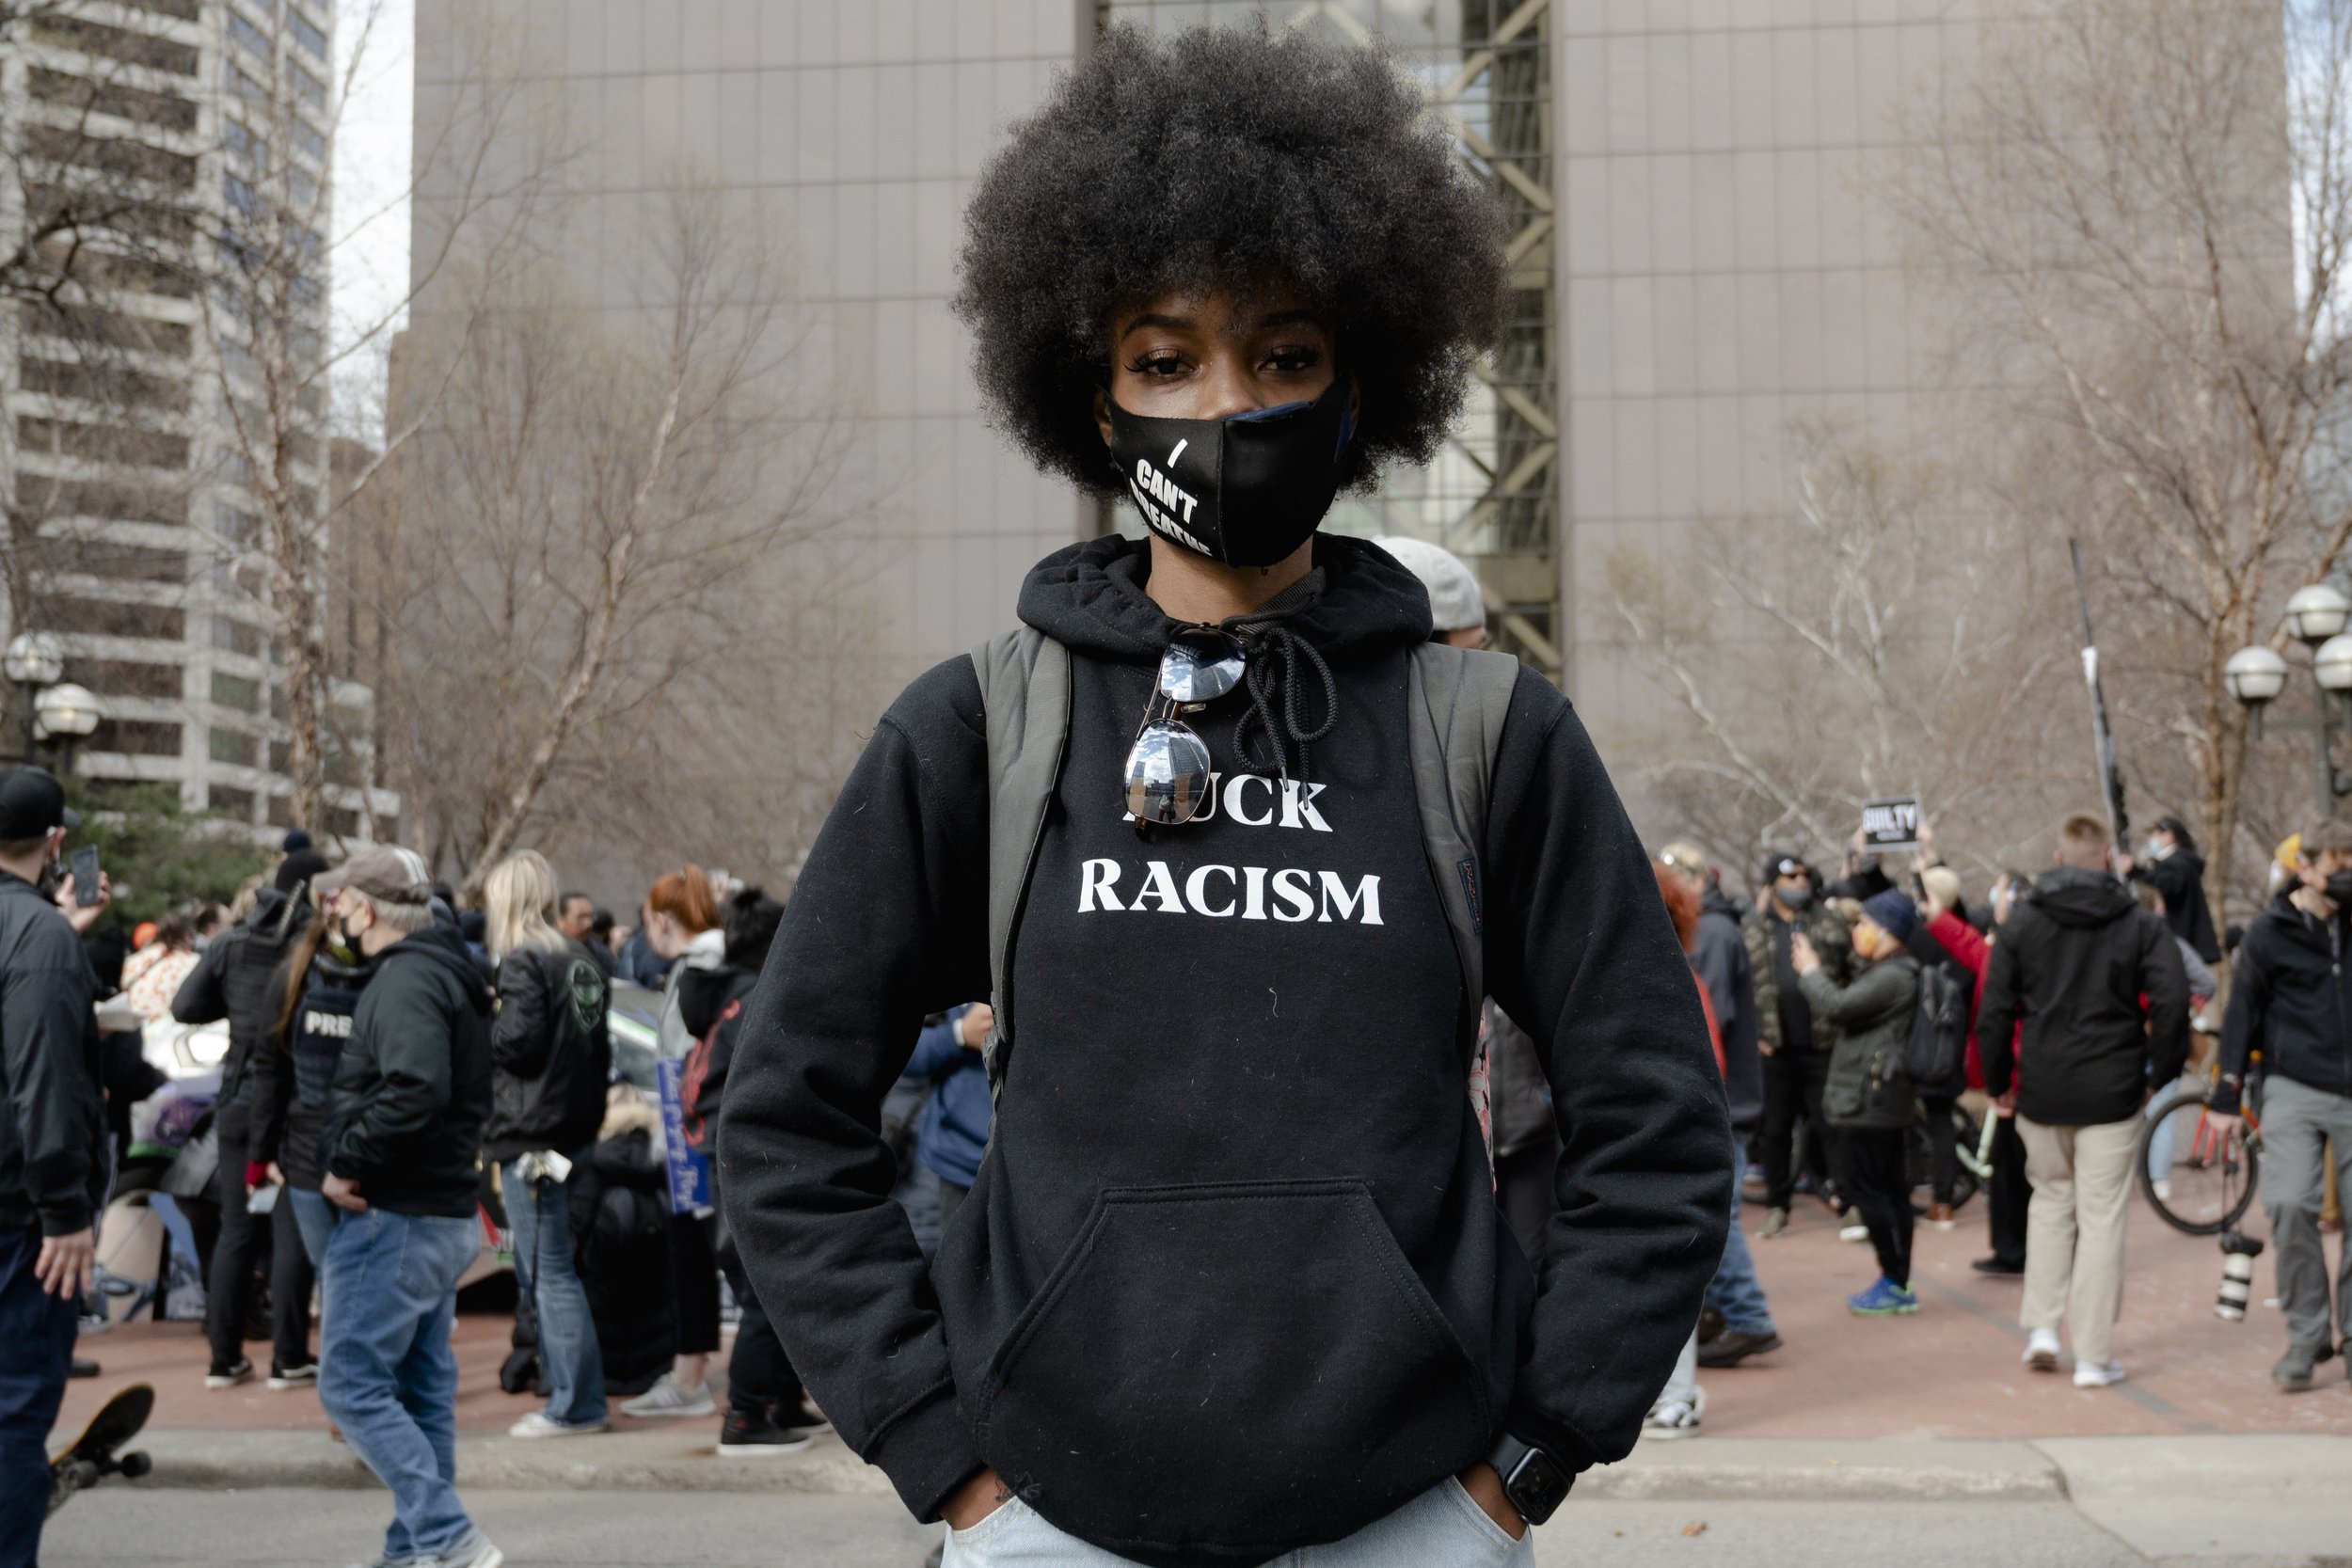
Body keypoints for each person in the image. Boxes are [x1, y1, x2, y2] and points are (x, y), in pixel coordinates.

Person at [718, 25, 1728, 1564]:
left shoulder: (1490, 732)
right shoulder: (979, 724)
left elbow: (1655, 1116)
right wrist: (948, 1463)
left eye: (1286, 355)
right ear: (1097, 397)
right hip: (1048, 1516)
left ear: (1358, 383)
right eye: (1168, 356)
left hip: (1417, 1512)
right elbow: (783, 1113)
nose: (1230, 403)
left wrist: (1527, 1459)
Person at [313, 846, 501, 1568]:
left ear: (366, 907)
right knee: (422, 1388)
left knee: (351, 1386)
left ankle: (446, 1536)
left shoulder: (409, 977)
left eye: (341, 901)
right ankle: (415, 1550)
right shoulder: (440, 969)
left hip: (399, 1212)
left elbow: (415, 1086)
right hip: (434, 1209)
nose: (333, 912)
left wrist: (345, 1162)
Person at [1978, 814, 2188, 1389]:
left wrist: (1998, 1081)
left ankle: (2043, 1327)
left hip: (2042, 1085)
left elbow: (1994, 1010)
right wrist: (2160, 1073)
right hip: (2114, 1087)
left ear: (2057, 855)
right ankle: (2094, 1355)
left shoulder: (2023, 922)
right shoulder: (2139, 924)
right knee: (2100, 1219)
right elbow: (2172, 1000)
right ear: (2107, 858)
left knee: (2049, 1204)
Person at [676, 886, 828, 1452]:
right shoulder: (760, 998)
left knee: (777, 1289)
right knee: (767, 1292)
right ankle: (743, 1417)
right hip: (745, 1161)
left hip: (724, 1159)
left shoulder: (727, 997)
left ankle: (781, 1400)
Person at [0, 768, 107, 1568]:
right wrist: (65, 1210)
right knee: (12, 1411)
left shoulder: (43, 934)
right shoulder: (41, 941)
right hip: (20, 1215)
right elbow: (46, 1082)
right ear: (56, 841)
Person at [173, 847, 329, 1390]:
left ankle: (223, 1358)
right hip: (297, 1104)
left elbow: (184, 1007)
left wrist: (237, 1008)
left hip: (238, 1099)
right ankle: (288, 1358)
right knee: (291, 1232)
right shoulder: (315, 945)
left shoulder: (234, 941)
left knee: (236, 1230)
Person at [2208, 818, 2352, 1392]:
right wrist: (2225, 1094)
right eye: (2335, 866)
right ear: (2305, 869)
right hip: (2293, 1083)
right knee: (2292, 1203)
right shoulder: (2270, 932)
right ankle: (2306, 1333)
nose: (2345, 876)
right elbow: (2241, 1013)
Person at [482, 850, 612, 1438]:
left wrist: (483, 1021)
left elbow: (519, 1044)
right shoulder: (580, 956)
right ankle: (577, 1399)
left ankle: (576, 1404)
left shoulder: (524, 959)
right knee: (556, 1270)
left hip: (533, 1136)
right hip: (573, 1132)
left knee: (548, 1273)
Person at [1658, 843, 1777, 1368]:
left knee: (1718, 1217)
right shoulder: (1713, 932)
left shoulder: (1714, 935)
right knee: (1715, 1214)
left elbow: (1710, 1029)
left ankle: (1749, 1316)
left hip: (1724, 1105)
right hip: (1723, 1102)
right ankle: (1727, 1312)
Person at [622, 866, 726, 1419]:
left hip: (695, 1139)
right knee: (701, 1255)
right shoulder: (704, 967)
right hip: (696, 1135)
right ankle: (691, 1371)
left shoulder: (700, 973)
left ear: (663, 920)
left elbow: (687, 1062)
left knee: (698, 1255)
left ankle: (690, 1375)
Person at [1794, 890, 1922, 1317]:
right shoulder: (1889, 970)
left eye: (1864, 923)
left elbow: (1837, 1006)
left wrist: (1811, 971)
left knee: (1873, 1192)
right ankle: (1896, 1278)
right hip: (1875, 1099)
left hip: (1869, 1102)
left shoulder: (1894, 975)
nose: (1857, 931)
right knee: (1887, 1191)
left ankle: (1894, 1280)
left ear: (1886, 931)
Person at [1643, 860, 1735, 1438]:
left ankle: (1677, 1394)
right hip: (1639, 1145)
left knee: (1670, 1272)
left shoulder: (1675, 977)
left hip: (1669, 1146)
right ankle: (1665, 1392)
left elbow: (1709, 1073)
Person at [1924, 869, 2034, 1276]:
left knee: (2020, 1170)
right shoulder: (2007, 948)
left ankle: (2019, 1250)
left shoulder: (2020, 950)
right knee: (2009, 1169)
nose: (1995, 900)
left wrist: (2003, 1080)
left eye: (2001, 892)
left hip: (2018, 1080)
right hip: (2012, 1079)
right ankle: (2012, 1249)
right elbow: (1970, 947)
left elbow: (1976, 956)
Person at [248, 904, 371, 1271]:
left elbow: (270, 1070)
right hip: (356, 1153)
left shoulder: (293, 975)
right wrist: (261, 1153)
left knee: (333, 1275)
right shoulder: (384, 977)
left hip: (310, 1152)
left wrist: (260, 1155)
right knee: (358, 1281)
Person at [1746, 852, 1854, 1238]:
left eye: (1804, 876)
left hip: (1823, 1047)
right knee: (1775, 1131)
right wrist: (1756, 1033)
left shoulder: (1827, 924)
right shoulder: (1754, 927)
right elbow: (1744, 988)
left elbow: (1851, 974)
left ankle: (1847, 1201)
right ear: (1773, 884)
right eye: (1791, 878)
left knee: (1833, 1127)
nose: (1799, 884)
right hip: (1776, 1051)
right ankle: (1778, 1205)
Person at [2119, 814, 2221, 966]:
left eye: (2154, 835)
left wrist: (2135, 871)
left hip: (2183, 942)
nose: (2151, 841)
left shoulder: (2177, 863)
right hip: (2186, 943)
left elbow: (2169, 885)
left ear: (2169, 835)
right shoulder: (2180, 862)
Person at [118, 912, 199, 1022]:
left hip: (134, 1029)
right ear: (186, 936)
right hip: (169, 1031)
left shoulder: (133, 960)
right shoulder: (193, 961)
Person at [557, 891, 615, 977]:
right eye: (581, 917)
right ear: (560, 920)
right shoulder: (547, 953)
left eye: (590, 916)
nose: (589, 924)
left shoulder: (600, 953)